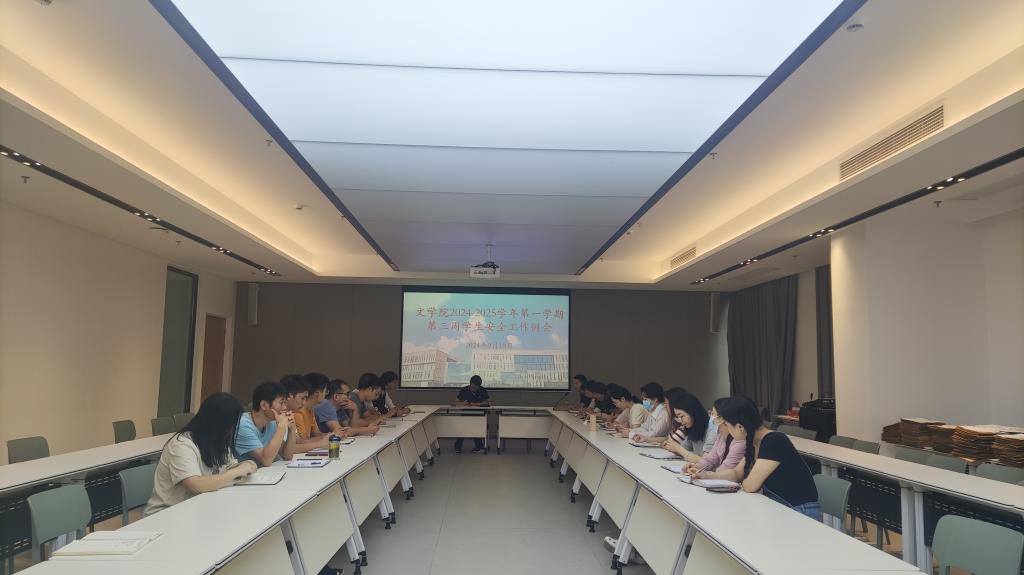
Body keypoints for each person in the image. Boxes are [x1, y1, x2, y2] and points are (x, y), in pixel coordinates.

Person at [692, 396, 820, 519]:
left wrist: (742, 482)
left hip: (800, 511)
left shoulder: (774, 440)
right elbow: (736, 473)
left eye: (727, 425)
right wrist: (708, 475)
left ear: (740, 427)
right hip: (780, 507)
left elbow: (751, 486)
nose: (727, 430)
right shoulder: (754, 443)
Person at [145, 393, 257, 514]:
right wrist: (237, 471)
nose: (232, 430)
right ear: (218, 423)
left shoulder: (217, 441)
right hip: (167, 513)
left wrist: (246, 465)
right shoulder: (181, 445)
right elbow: (196, 486)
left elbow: (230, 467)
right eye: (231, 424)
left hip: (199, 508)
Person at [670, 398, 745, 472]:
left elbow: (725, 470)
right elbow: (710, 460)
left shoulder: (739, 440)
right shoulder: (721, 437)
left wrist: (706, 474)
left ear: (722, 419)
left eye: (713, 414)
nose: (712, 418)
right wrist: (696, 466)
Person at [233, 381, 298, 466]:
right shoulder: (243, 425)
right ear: (264, 405)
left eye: (285, 403)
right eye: (281, 403)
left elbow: (287, 456)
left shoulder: (272, 423)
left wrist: (292, 429)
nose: (285, 407)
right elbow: (266, 460)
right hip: (246, 473)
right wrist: (281, 427)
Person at [659, 390, 716, 456]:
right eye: (678, 417)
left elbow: (706, 460)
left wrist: (678, 449)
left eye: (682, 416)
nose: (681, 421)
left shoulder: (713, 428)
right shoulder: (692, 427)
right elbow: (684, 449)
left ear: (693, 412)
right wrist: (672, 447)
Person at [315, 380, 379, 437]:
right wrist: (366, 430)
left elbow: (352, 428)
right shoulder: (326, 405)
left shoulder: (340, 408)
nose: (350, 396)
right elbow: (341, 432)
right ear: (336, 397)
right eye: (347, 394)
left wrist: (355, 410)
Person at [281, 375, 330, 449]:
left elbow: (299, 441)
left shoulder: (289, 414)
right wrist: (319, 444)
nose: (304, 403)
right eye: (302, 398)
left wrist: (327, 438)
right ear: (289, 396)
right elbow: (288, 450)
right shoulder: (277, 416)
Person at [455, 374, 489, 453]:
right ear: (470, 384)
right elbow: (456, 402)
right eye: (472, 387)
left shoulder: (483, 390)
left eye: (476, 387)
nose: (473, 389)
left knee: (476, 428)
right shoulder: (464, 389)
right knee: (462, 429)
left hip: (479, 415)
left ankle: (479, 447)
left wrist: (476, 404)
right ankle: (457, 447)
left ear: (479, 386)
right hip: (466, 414)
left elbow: (487, 403)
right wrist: (462, 403)